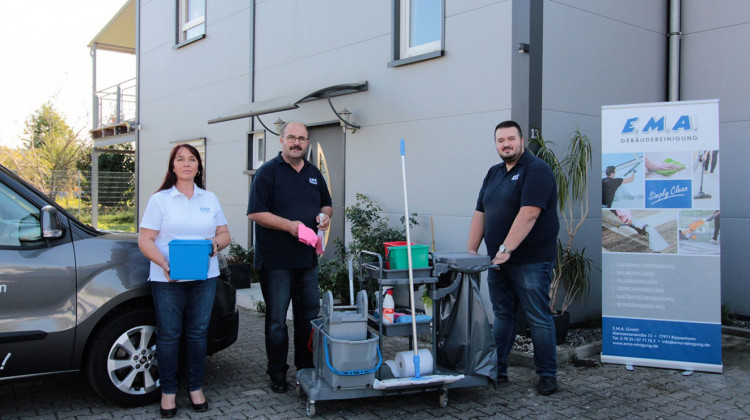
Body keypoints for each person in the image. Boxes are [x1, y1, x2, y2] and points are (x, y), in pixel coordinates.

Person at [467, 120, 559, 396]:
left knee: (537, 317)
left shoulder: (536, 170)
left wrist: (506, 250)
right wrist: (471, 252)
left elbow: (529, 213)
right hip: (498, 261)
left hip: (531, 261)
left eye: (510, 139)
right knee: (503, 315)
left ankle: (547, 375)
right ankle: (497, 370)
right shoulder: (493, 173)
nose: (505, 144)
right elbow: (480, 213)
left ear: (521, 141)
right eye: (500, 140)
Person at [138, 144, 230, 418]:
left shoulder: (209, 198)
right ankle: (168, 392)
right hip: (168, 278)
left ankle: (195, 388)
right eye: (181, 159)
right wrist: (163, 263)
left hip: (204, 276)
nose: (187, 164)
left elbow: (225, 234)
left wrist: (215, 244)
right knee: (169, 335)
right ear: (173, 166)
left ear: (198, 166)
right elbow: (145, 239)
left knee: (198, 334)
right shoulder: (160, 200)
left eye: (192, 159)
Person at [247, 121, 332, 393]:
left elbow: (327, 204)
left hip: (307, 261)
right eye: (292, 137)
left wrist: (325, 217)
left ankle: (305, 369)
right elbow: (255, 212)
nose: (297, 142)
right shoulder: (267, 172)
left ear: (307, 143)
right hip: (276, 262)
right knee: (277, 322)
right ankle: (277, 374)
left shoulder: (313, 173)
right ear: (281, 140)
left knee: (308, 319)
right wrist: (289, 226)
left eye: (302, 138)